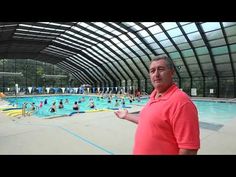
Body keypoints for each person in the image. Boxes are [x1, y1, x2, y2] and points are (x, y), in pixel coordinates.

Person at [114, 55, 200, 155]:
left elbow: (189, 150)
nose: (156, 74)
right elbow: (148, 121)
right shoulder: (153, 96)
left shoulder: (181, 102)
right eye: (152, 71)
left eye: (161, 69)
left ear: (172, 72)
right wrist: (126, 115)